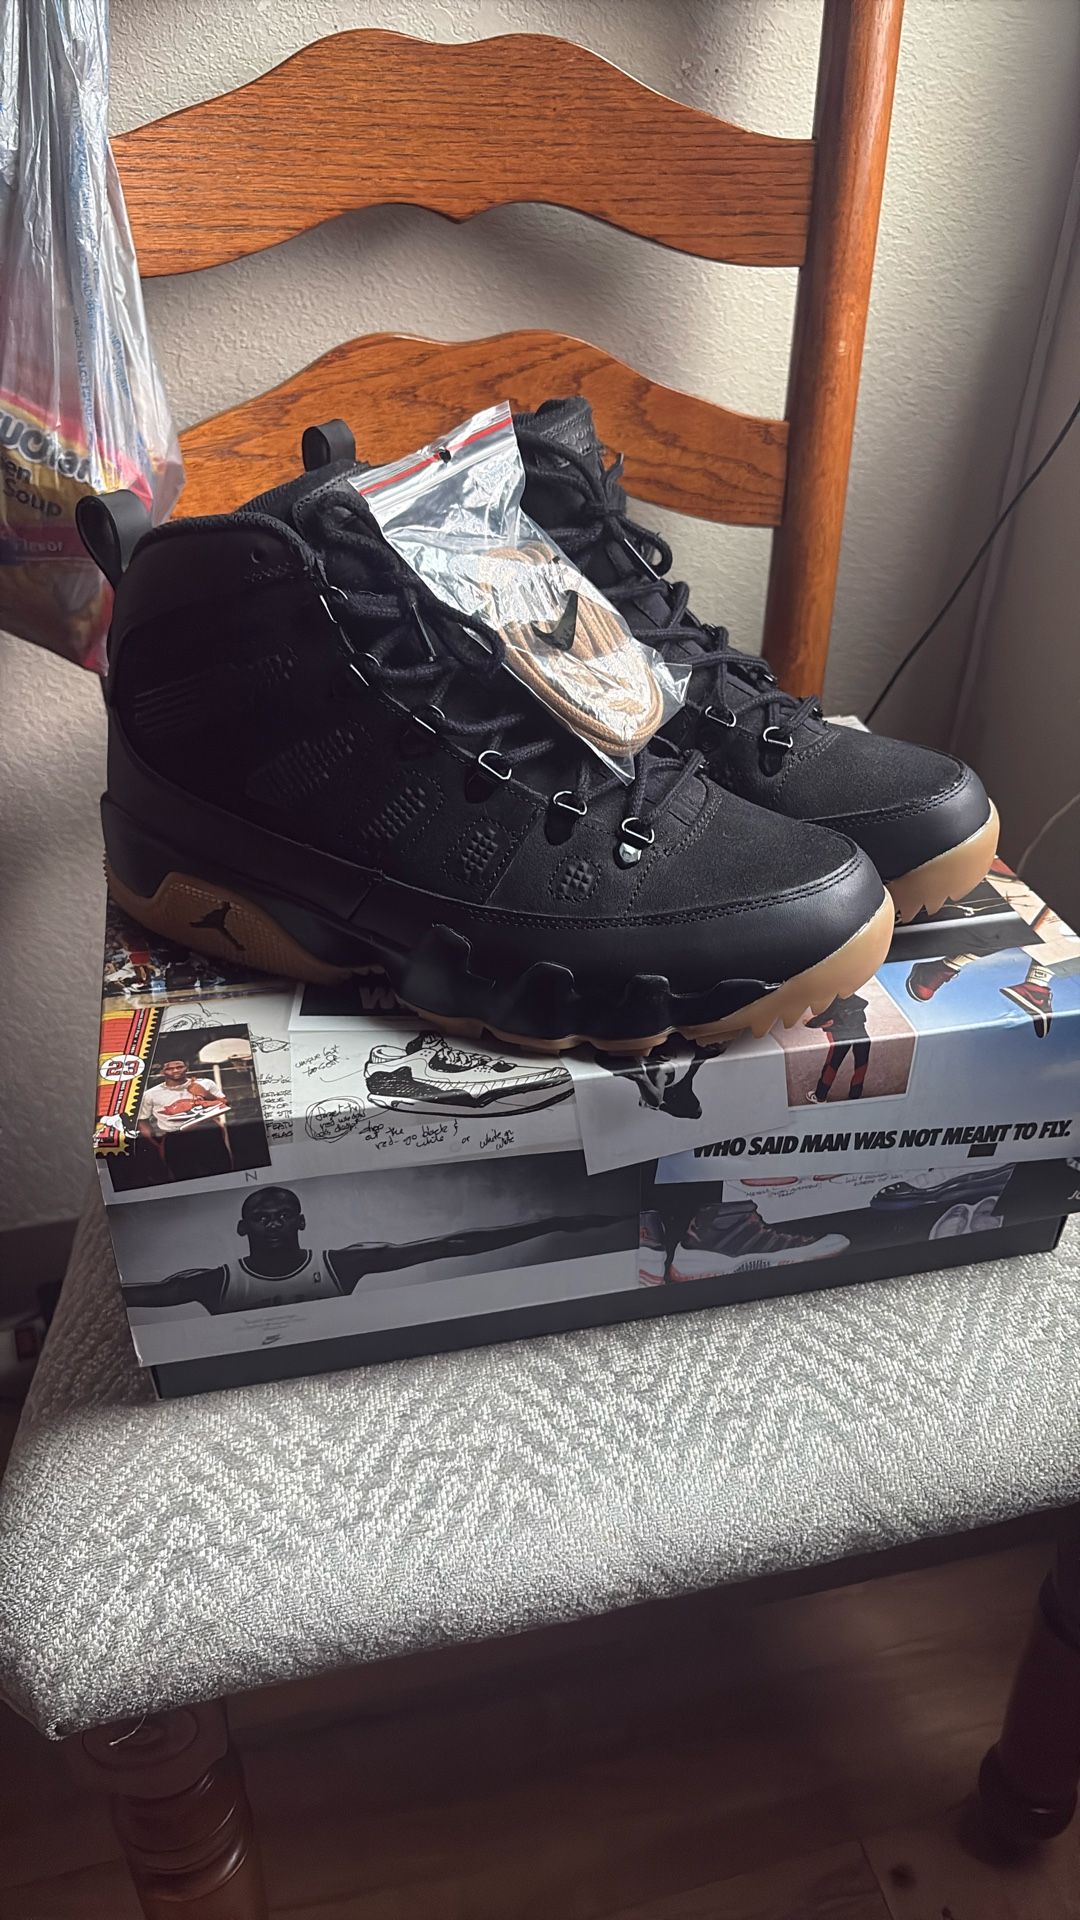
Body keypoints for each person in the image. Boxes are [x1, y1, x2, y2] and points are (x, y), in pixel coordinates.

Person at [122, 1185, 628, 1315]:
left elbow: (450, 1245)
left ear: (301, 1222)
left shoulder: (342, 1264)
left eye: (283, 1215)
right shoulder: (212, 1283)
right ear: (242, 1228)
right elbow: (132, 1296)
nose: (273, 1224)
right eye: (261, 1217)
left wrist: (553, 1223)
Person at [138, 1056, 231, 1180]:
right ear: (162, 1071)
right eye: (170, 1068)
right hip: (176, 1139)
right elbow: (143, 1120)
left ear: (186, 1067)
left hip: (207, 1133)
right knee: (184, 1177)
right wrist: (156, 1142)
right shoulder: (150, 1094)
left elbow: (225, 1104)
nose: (175, 1070)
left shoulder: (205, 1083)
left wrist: (204, 1093)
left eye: (179, 1067)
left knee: (222, 1172)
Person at [805, 993, 871, 1103]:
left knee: (832, 1065)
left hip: (840, 1036)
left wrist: (808, 1023)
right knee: (861, 1065)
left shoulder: (832, 1003)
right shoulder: (855, 1001)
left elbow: (818, 1020)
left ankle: (820, 1096)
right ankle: (855, 1095)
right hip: (861, 1034)